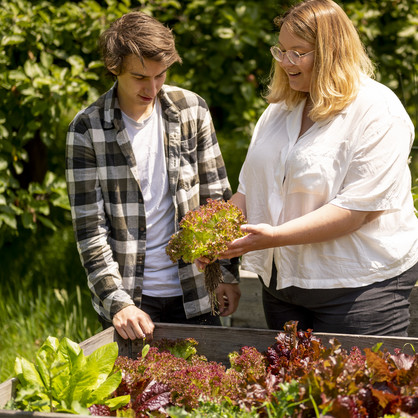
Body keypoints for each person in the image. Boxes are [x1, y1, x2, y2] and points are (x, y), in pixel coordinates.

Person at [214, 0, 418, 336]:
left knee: (359, 389)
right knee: (288, 388)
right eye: (281, 51)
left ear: (331, 52)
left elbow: (356, 211)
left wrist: (272, 238)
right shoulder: (279, 110)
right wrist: (214, 236)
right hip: (283, 287)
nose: (285, 62)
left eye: (298, 52)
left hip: (357, 289)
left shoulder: (378, 111)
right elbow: (249, 191)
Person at [65, 11, 241, 341]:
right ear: (113, 67)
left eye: (160, 75)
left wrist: (228, 273)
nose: (152, 87)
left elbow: (217, 198)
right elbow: (91, 231)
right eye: (140, 78)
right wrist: (118, 304)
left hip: (196, 292)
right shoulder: (86, 130)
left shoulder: (191, 109)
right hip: (131, 303)